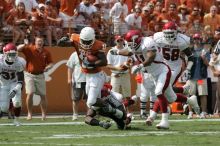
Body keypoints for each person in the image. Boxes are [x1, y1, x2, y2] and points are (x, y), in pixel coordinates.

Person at [111, 30, 199, 129]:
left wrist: (140, 66)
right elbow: (129, 52)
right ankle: (191, 100)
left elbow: (151, 57)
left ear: (137, 39)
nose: (131, 45)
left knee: (158, 92)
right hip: (153, 74)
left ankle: (164, 121)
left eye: (132, 43)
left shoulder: (148, 42)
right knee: (171, 98)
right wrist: (118, 52)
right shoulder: (135, 45)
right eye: (129, 44)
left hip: (163, 71)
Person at [58, 27, 123, 119]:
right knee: (93, 102)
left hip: (96, 75)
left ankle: (113, 108)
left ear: (93, 38)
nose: (85, 44)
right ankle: (113, 100)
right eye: (84, 41)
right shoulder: (76, 38)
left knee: (91, 101)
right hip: (87, 75)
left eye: (88, 42)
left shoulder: (98, 45)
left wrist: (92, 64)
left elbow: (104, 61)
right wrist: (62, 42)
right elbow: (65, 44)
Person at [17, 35, 54, 121]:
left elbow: (51, 63)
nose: (40, 43)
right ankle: (29, 114)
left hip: (40, 75)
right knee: (30, 93)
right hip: (29, 75)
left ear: (43, 42)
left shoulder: (46, 52)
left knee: (43, 95)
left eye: (41, 41)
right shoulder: (29, 48)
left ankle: (44, 115)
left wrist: (48, 67)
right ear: (35, 42)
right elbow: (18, 49)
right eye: (38, 41)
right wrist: (24, 44)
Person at [0, 43, 26, 126]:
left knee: (17, 102)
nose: (12, 56)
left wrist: (16, 88)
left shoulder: (19, 62)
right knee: (4, 108)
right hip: (3, 83)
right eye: (10, 54)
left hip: (14, 82)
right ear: (5, 53)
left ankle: (16, 120)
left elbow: (21, 78)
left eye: (14, 54)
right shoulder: (0, 61)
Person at [186, 33, 210, 119]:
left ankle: (203, 112)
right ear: (193, 40)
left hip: (201, 77)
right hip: (191, 77)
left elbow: (208, 64)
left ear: (200, 40)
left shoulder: (205, 51)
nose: (196, 40)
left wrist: (203, 58)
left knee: (203, 94)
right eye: (195, 39)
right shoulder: (189, 51)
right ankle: (190, 112)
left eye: (198, 39)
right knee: (190, 95)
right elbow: (186, 63)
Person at [106, 35, 133, 110]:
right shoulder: (111, 51)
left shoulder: (127, 50)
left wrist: (128, 65)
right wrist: (117, 68)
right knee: (114, 96)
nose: (120, 42)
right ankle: (115, 113)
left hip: (125, 74)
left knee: (127, 95)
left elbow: (131, 61)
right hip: (115, 75)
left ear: (123, 40)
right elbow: (108, 65)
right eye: (118, 40)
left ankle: (129, 113)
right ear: (115, 41)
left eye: (121, 40)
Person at [66, 51, 87, 121]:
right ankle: (75, 114)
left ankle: (89, 114)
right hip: (77, 81)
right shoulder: (74, 54)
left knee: (89, 99)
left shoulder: (90, 53)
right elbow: (70, 67)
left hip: (89, 80)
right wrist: (69, 79)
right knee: (76, 99)